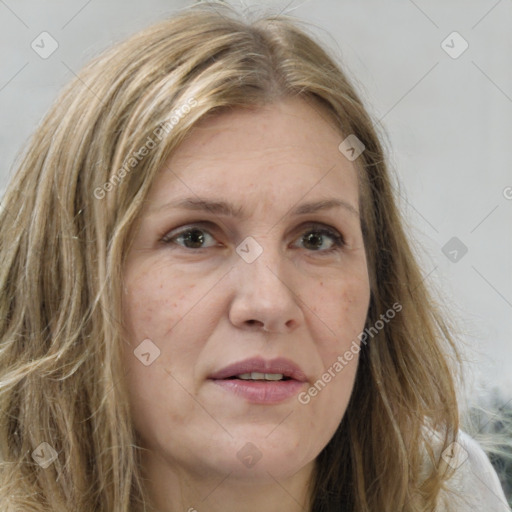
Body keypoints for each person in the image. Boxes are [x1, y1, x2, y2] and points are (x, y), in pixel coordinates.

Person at [0, 2, 509, 511]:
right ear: (66, 282)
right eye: (195, 237)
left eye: (316, 239)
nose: (268, 302)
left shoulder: (454, 493)